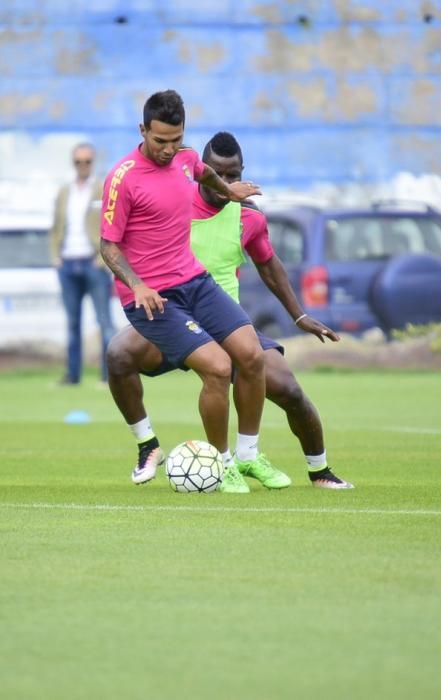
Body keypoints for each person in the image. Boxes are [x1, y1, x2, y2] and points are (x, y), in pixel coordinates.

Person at [107, 131, 354, 490]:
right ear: (203, 170)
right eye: (218, 174)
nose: (225, 182)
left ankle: (317, 472)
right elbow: (123, 238)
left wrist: (299, 315)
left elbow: (270, 266)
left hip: (224, 319)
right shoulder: (173, 198)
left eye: (234, 175)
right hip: (172, 314)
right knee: (118, 355)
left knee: (289, 390)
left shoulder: (249, 217)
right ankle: (148, 446)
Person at [100, 90, 289, 494]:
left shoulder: (185, 158)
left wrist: (228, 190)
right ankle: (221, 466)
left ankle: (249, 456)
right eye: (160, 141)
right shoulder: (122, 177)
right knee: (219, 368)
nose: (169, 150)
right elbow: (108, 246)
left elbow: (201, 171)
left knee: (252, 355)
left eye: (176, 139)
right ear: (142, 130)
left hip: (195, 281)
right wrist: (138, 284)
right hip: (152, 298)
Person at [50, 143, 116, 384]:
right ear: (73, 163)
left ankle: (109, 376)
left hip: (93, 263)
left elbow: (112, 225)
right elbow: (55, 225)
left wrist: (103, 259)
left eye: (87, 161)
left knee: (105, 322)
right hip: (68, 263)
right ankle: (72, 375)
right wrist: (55, 255)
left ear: (93, 162)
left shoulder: (102, 189)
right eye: (78, 162)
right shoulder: (65, 192)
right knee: (72, 323)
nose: (83, 166)